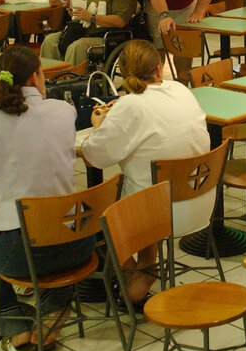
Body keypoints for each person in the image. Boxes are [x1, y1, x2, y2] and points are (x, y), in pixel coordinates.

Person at [0, 46, 94, 351]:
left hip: (23, 254)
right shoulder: (65, 110)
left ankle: (15, 326)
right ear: (36, 77)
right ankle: (52, 311)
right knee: (54, 234)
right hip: (78, 241)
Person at [80, 39, 208, 304]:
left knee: (103, 209)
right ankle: (148, 264)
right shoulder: (181, 90)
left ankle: (131, 279)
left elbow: (94, 158)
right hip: (199, 201)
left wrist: (99, 127)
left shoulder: (129, 107)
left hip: (156, 213)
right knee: (144, 184)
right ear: (159, 69)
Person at [40, 0, 137, 66]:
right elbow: (79, 14)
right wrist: (73, 11)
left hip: (106, 36)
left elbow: (120, 21)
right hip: (83, 31)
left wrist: (92, 17)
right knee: (49, 41)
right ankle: (49, 77)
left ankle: (70, 79)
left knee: (76, 47)